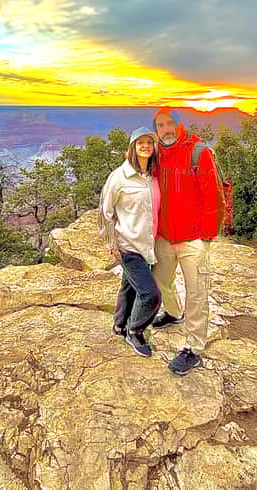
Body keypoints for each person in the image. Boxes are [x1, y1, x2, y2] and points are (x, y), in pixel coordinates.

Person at [150, 107, 225, 375]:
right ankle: (173, 313)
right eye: (160, 125)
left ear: (180, 125)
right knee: (160, 280)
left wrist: (207, 236)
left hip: (193, 238)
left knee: (196, 293)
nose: (166, 129)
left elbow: (213, 195)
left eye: (170, 123)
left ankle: (193, 347)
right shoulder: (156, 155)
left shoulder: (198, 153)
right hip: (164, 236)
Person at [97, 127, 162, 357]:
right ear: (132, 147)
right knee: (150, 295)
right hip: (128, 245)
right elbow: (105, 212)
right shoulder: (119, 177)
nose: (145, 146)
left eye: (149, 142)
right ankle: (135, 331)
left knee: (129, 286)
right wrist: (111, 243)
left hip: (148, 245)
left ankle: (119, 325)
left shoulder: (153, 176)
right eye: (140, 142)